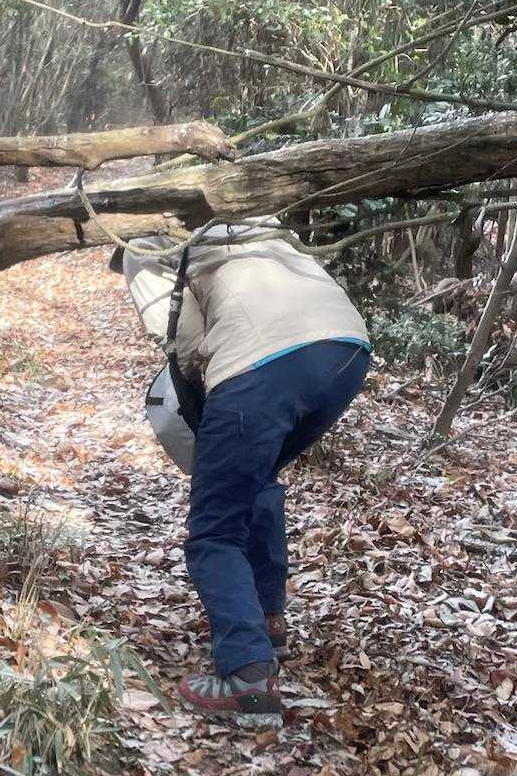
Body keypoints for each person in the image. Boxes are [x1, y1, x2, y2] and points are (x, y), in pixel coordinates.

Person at [119, 219, 370, 727]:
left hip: (259, 362)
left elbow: (180, 338)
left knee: (214, 529)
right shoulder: (247, 211)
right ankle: (266, 618)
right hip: (345, 348)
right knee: (255, 478)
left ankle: (248, 677)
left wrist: (207, 401)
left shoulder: (141, 242)